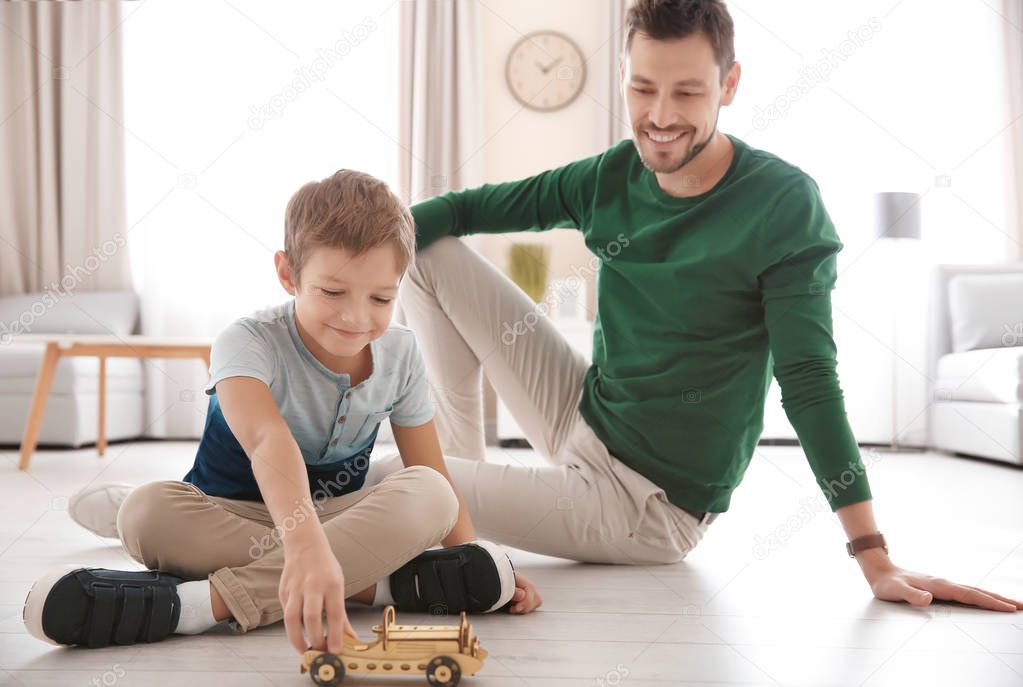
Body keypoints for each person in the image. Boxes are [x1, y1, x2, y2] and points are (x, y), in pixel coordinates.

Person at [367, 0, 1022, 613]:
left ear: (728, 84)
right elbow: (456, 212)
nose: (659, 115)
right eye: (643, 88)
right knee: (424, 253)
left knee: (386, 474)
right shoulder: (609, 176)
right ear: (623, 77)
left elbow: (809, 384)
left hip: (643, 504)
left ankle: (435, 493)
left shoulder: (781, 204)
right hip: (584, 416)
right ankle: (451, 496)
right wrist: (337, 263)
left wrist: (872, 555)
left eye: (686, 91)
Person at [23, 169, 542, 653]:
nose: (356, 317)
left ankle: (198, 606)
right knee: (143, 514)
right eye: (333, 291)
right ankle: (380, 584)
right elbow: (270, 442)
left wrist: (478, 561)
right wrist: (305, 549)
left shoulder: (401, 354)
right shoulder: (247, 342)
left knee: (430, 493)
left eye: (381, 299)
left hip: (336, 517)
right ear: (288, 273)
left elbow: (432, 472)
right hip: (229, 513)